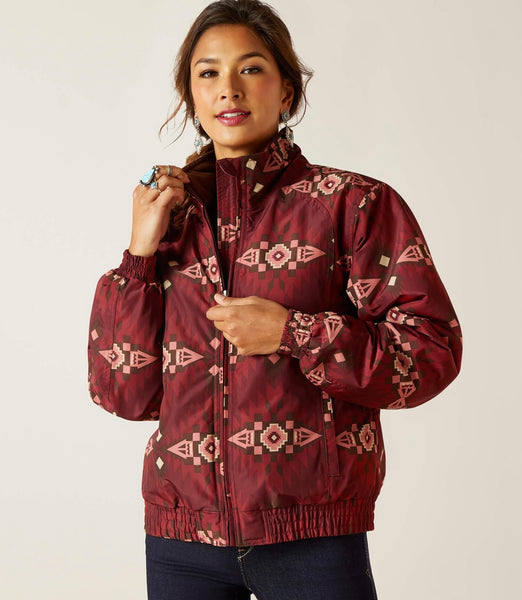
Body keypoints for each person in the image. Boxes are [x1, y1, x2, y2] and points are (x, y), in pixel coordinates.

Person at [87, 1, 462, 598]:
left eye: (251, 68)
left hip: (313, 539)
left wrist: (295, 333)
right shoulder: (171, 221)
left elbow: (431, 353)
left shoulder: (352, 205)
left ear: (286, 90)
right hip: (181, 544)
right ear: (190, 94)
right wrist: (138, 255)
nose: (228, 88)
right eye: (208, 72)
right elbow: (123, 394)